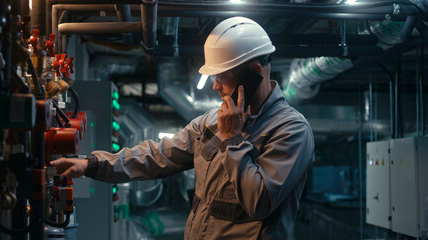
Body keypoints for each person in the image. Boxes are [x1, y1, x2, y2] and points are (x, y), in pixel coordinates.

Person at [51, 16, 315, 240]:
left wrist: (233, 140)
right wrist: (92, 165)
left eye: (221, 77)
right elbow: (159, 155)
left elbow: (259, 201)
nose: (214, 86)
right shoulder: (212, 121)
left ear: (254, 72)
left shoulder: (291, 131)